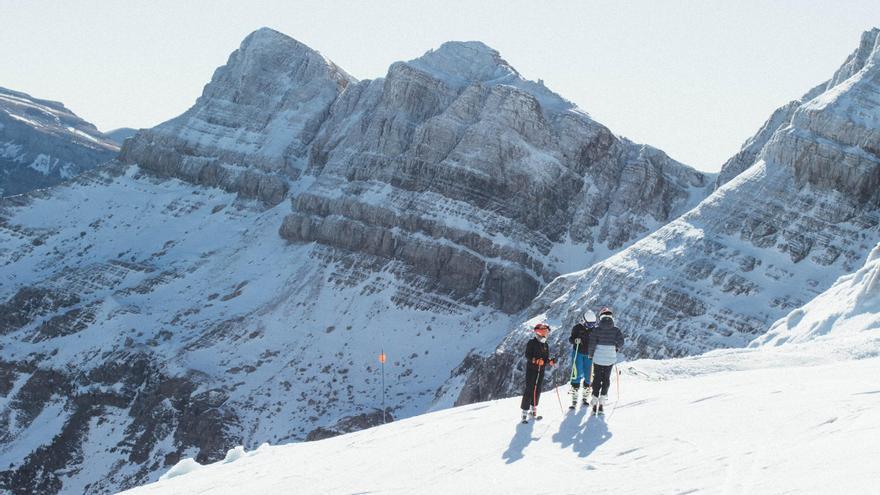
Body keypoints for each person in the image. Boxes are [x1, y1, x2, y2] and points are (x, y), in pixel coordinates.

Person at [587, 307, 624, 415]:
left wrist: (590, 354)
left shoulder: (596, 329)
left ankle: (594, 403)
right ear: (611, 317)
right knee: (606, 378)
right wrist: (615, 347)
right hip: (610, 358)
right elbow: (621, 342)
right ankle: (602, 403)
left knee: (597, 378)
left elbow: (592, 344)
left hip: (598, 358)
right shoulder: (616, 330)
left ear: (601, 317)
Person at [520, 323, 556, 423]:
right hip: (532, 369)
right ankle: (524, 412)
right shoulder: (532, 343)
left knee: (538, 389)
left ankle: (533, 410)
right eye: (545, 332)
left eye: (547, 332)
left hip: (541, 369)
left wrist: (550, 361)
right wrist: (535, 361)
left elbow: (545, 358)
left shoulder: (545, 345)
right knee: (529, 388)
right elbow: (527, 355)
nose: (547, 334)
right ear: (539, 332)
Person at [568, 310, 596, 408]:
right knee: (576, 373)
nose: (591, 326)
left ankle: (585, 397)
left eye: (593, 324)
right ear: (584, 321)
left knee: (589, 376)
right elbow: (571, 339)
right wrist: (575, 340)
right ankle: (574, 399)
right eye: (589, 324)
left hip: (589, 355)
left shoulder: (594, 330)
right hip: (578, 353)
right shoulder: (577, 328)